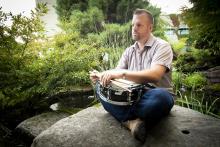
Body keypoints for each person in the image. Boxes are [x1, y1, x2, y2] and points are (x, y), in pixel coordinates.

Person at [89, 9, 174, 143]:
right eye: (133, 25)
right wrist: (102, 76)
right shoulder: (129, 51)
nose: (134, 28)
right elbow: (115, 74)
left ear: (150, 27)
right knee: (100, 88)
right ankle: (131, 123)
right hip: (132, 96)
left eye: (139, 25)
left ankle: (122, 116)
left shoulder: (162, 46)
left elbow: (155, 75)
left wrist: (123, 73)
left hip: (152, 95)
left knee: (162, 97)